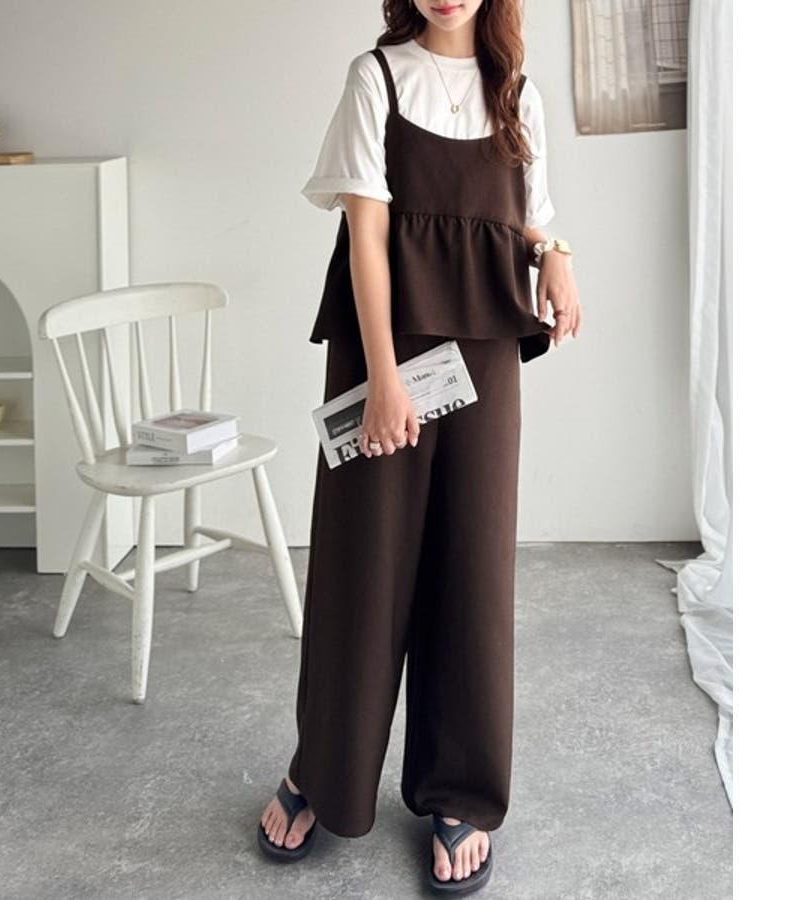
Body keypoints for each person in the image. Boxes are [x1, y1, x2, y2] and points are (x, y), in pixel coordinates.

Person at [258, 0, 581, 893]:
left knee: (473, 571)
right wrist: (385, 377)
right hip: (383, 355)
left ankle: (459, 791)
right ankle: (321, 772)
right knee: (362, 568)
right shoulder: (377, 78)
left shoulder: (516, 94)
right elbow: (366, 236)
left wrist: (557, 254)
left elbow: (530, 218)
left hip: (485, 357)